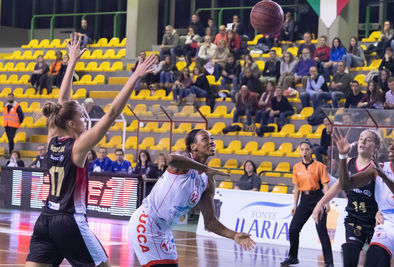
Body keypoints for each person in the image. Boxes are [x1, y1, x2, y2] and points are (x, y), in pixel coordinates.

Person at [25, 32, 156, 266]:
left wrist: (72, 61)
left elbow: (61, 100)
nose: (86, 121)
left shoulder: (52, 137)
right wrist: (135, 76)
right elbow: (113, 113)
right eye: (82, 118)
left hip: (45, 219)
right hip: (69, 221)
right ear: (73, 124)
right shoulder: (78, 146)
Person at [128, 129, 255, 266]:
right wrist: (205, 169)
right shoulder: (183, 158)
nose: (211, 142)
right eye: (205, 139)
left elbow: (210, 222)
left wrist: (234, 235)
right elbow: (172, 159)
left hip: (164, 229)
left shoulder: (207, 182)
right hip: (147, 222)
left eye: (212, 139)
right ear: (193, 146)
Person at [312, 129, 381, 267]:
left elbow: (387, 195)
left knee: (375, 261)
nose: (363, 141)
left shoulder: (379, 168)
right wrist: (320, 204)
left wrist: (382, 211)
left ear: (376, 147)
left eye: (368, 139)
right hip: (353, 219)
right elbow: (338, 186)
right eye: (361, 138)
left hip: (375, 221)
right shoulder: (349, 162)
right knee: (350, 253)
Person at [335, 131, 394, 267]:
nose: (391, 147)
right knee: (373, 258)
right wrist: (342, 156)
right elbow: (346, 185)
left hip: (379, 220)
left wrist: (385, 178)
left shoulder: (381, 172)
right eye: (390, 144)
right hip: (387, 228)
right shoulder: (378, 168)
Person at [280, 141, 333, 267]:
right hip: (304, 201)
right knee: (293, 229)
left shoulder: (320, 166)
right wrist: (295, 205)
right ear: (300, 151)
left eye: (307, 149)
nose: (304, 152)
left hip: (318, 200)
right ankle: (293, 257)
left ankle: (329, 263)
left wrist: (326, 202)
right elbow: (296, 187)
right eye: (302, 149)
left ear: (311, 151)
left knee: (322, 231)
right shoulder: (296, 167)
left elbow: (325, 184)